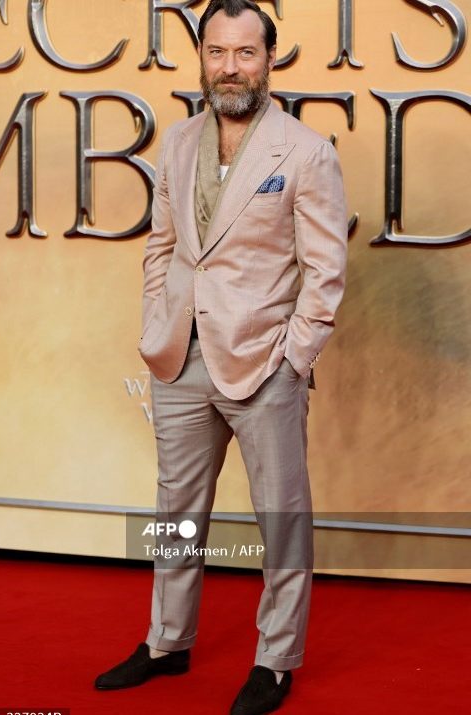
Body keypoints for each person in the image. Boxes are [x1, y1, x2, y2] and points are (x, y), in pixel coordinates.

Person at [94, 1, 348, 713]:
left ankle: (276, 661)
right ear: (202, 58)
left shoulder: (305, 152)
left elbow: (326, 272)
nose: (230, 67)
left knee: (281, 518)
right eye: (217, 52)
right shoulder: (178, 141)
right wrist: (158, 322)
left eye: (244, 52)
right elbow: (163, 246)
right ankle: (167, 641)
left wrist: (294, 358)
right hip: (180, 359)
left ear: (270, 59)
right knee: (175, 509)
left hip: (264, 363)